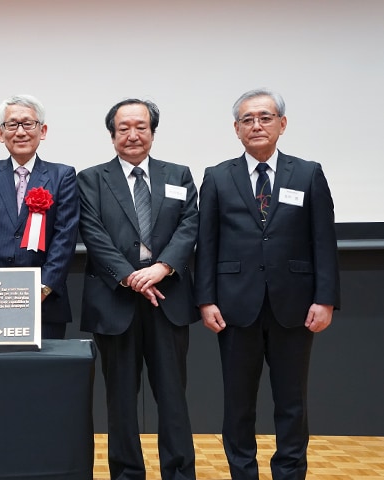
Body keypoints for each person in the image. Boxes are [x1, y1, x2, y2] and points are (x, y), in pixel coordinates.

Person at [195, 88, 340, 480]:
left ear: (282, 124)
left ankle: (289, 473)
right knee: (238, 404)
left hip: (294, 306)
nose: (256, 125)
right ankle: (243, 473)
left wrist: (325, 298)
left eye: (265, 117)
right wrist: (205, 299)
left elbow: (323, 239)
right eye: (247, 119)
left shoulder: (308, 173)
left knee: (292, 402)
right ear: (236, 129)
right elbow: (206, 243)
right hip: (233, 306)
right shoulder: (217, 176)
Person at [78, 99, 199, 480]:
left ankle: (179, 472)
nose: (133, 135)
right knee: (120, 400)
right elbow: (93, 234)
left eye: (141, 127)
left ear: (153, 131)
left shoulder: (178, 175)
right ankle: (127, 473)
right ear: (112, 134)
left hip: (168, 299)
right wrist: (131, 276)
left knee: (173, 398)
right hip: (116, 301)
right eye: (124, 127)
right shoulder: (91, 179)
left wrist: (162, 268)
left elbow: (189, 226)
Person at [0, 94, 79, 339]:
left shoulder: (63, 175)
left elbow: (65, 235)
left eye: (28, 124)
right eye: (12, 124)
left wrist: (43, 287)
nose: (20, 131)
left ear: (43, 130)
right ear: (0, 133)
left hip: (45, 302)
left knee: (44, 375)